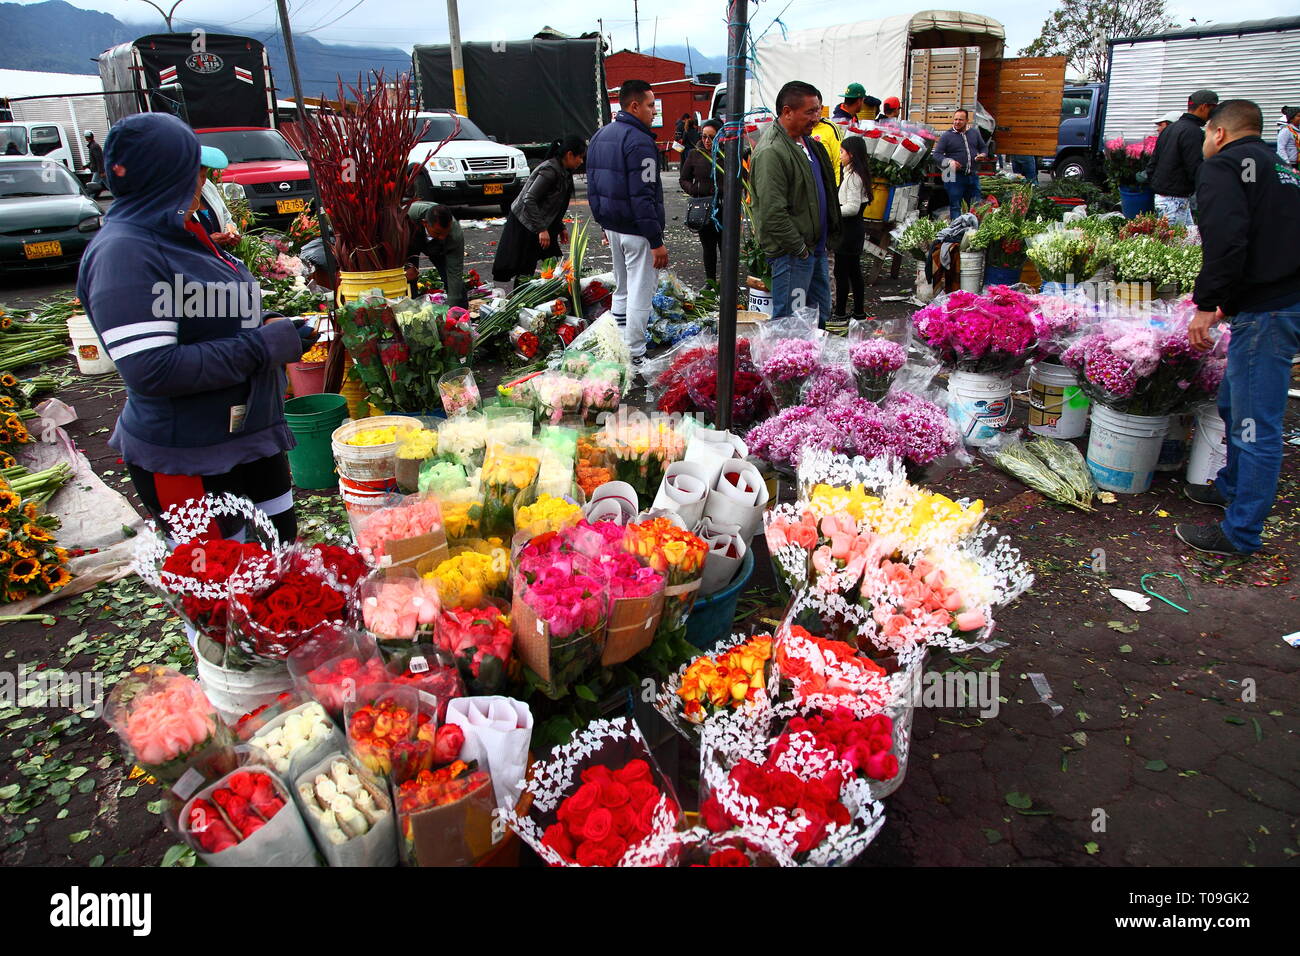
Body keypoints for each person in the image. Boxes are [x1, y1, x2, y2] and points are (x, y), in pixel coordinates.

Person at [76, 113, 314, 543]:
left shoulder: (180, 232)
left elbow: (202, 317)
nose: (203, 180)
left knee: (279, 559)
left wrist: (270, 326)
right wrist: (263, 346)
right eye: (196, 169)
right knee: (224, 587)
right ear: (167, 175)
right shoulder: (126, 253)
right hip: (190, 457)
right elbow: (154, 369)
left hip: (248, 441)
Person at [1176, 99, 1300, 557]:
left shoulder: (1224, 167)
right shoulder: (1280, 167)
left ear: (1219, 133)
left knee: (1254, 424)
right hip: (1281, 298)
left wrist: (1208, 304)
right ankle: (1230, 486)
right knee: (1233, 401)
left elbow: (1227, 239)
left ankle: (1240, 532)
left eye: (1206, 135)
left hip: (1270, 311)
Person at [586, 79, 668, 370]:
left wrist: (603, 223)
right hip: (637, 230)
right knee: (640, 292)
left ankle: (618, 346)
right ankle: (634, 353)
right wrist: (656, 240)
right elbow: (643, 195)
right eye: (649, 105)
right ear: (634, 106)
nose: (653, 112)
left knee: (622, 288)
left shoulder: (600, 136)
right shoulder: (640, 141)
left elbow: (592, 188)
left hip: (613, 226)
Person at [750, 80, 841, 324]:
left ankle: (812, 362)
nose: (816, 118)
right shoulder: (772, 151)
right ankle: (788, 363)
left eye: (818, 111)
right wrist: (799, 249)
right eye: (810, 112)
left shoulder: (807, 143)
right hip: (794, 253)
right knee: (791, 323)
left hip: (815, 249)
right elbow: (772, 213)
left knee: (819, 315)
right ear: (787, 112)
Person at [492, 135, 585, 286]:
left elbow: (553, 205)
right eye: (579, 157)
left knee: (556, 263)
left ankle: (556, 296)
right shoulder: (550, 170)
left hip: (542, 224)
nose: (581, 161)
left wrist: (560, 227)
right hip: (528, 224)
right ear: (569, 155)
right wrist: (541, 229)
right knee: (526, 267)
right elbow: (529, 199)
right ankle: (520, 301)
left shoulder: (563, 171)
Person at [1148, 88, 1218, 228]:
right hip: (1175, 199)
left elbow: (1153, 162)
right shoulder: (1193, 132)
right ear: (1204, 107)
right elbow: (1194, 167)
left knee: (1187, 242)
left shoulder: (1170, 128)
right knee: (1172, 245)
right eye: (1213, 108)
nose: (1214, 114)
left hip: (1165, 197)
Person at [831, 135, 872, 329]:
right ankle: (858, 312)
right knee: (853, 272)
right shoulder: (853, 173)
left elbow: (853, 208)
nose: (839, 155)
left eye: (842, 152)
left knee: (843, 272)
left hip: (849, 231)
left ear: (852, 154)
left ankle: (841, 312)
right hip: (852, 230)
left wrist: (832, 212)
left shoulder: (854, 177)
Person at [680, 118, 723, 282]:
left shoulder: (728, 155)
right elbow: (683, 179)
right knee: (708, 247)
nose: (707, 141)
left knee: (726, 248)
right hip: (704, 208)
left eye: (711, 137)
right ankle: (710, 281)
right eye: (704, 136)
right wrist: (695, 190)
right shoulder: (694, 154)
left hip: (724, 208)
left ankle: (727, 284)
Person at [405, 202, 467, 308]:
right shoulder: (408, 215)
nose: (442, 237)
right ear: (425, 224)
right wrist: (406, 266)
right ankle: (410, 310)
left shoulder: (454, 235)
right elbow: (392, 242)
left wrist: (453, 309)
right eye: (438, 233)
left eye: (445, 233)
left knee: (453, 282)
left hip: (439, 249)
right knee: (409, 277)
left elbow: (454, 273)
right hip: (409, 241)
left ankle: (461, 313)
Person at [933, 108, 987, 220]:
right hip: (953, 175)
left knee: (975, 205)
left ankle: (972, 231)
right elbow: (937, 155)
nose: (957, 122)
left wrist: (983, 154)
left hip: (972, 175)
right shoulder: (947, 136)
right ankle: (957, 232)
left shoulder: (974, 133)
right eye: (955, 119)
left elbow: (983, 147)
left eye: (960, 120)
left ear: (967, 120)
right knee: (956, 205)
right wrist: (949, 161)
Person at [83, 131, 105, 197]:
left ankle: (91, 198)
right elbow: (94, 160)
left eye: (85, 137)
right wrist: (86, 166)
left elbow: (99, 160)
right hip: (97, 170)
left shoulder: (94, 146)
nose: (85, 138)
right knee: (107, 184)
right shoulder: (92, 146)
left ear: (87, 137)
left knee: (92, 186)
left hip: (97, 170)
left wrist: (101, 171)